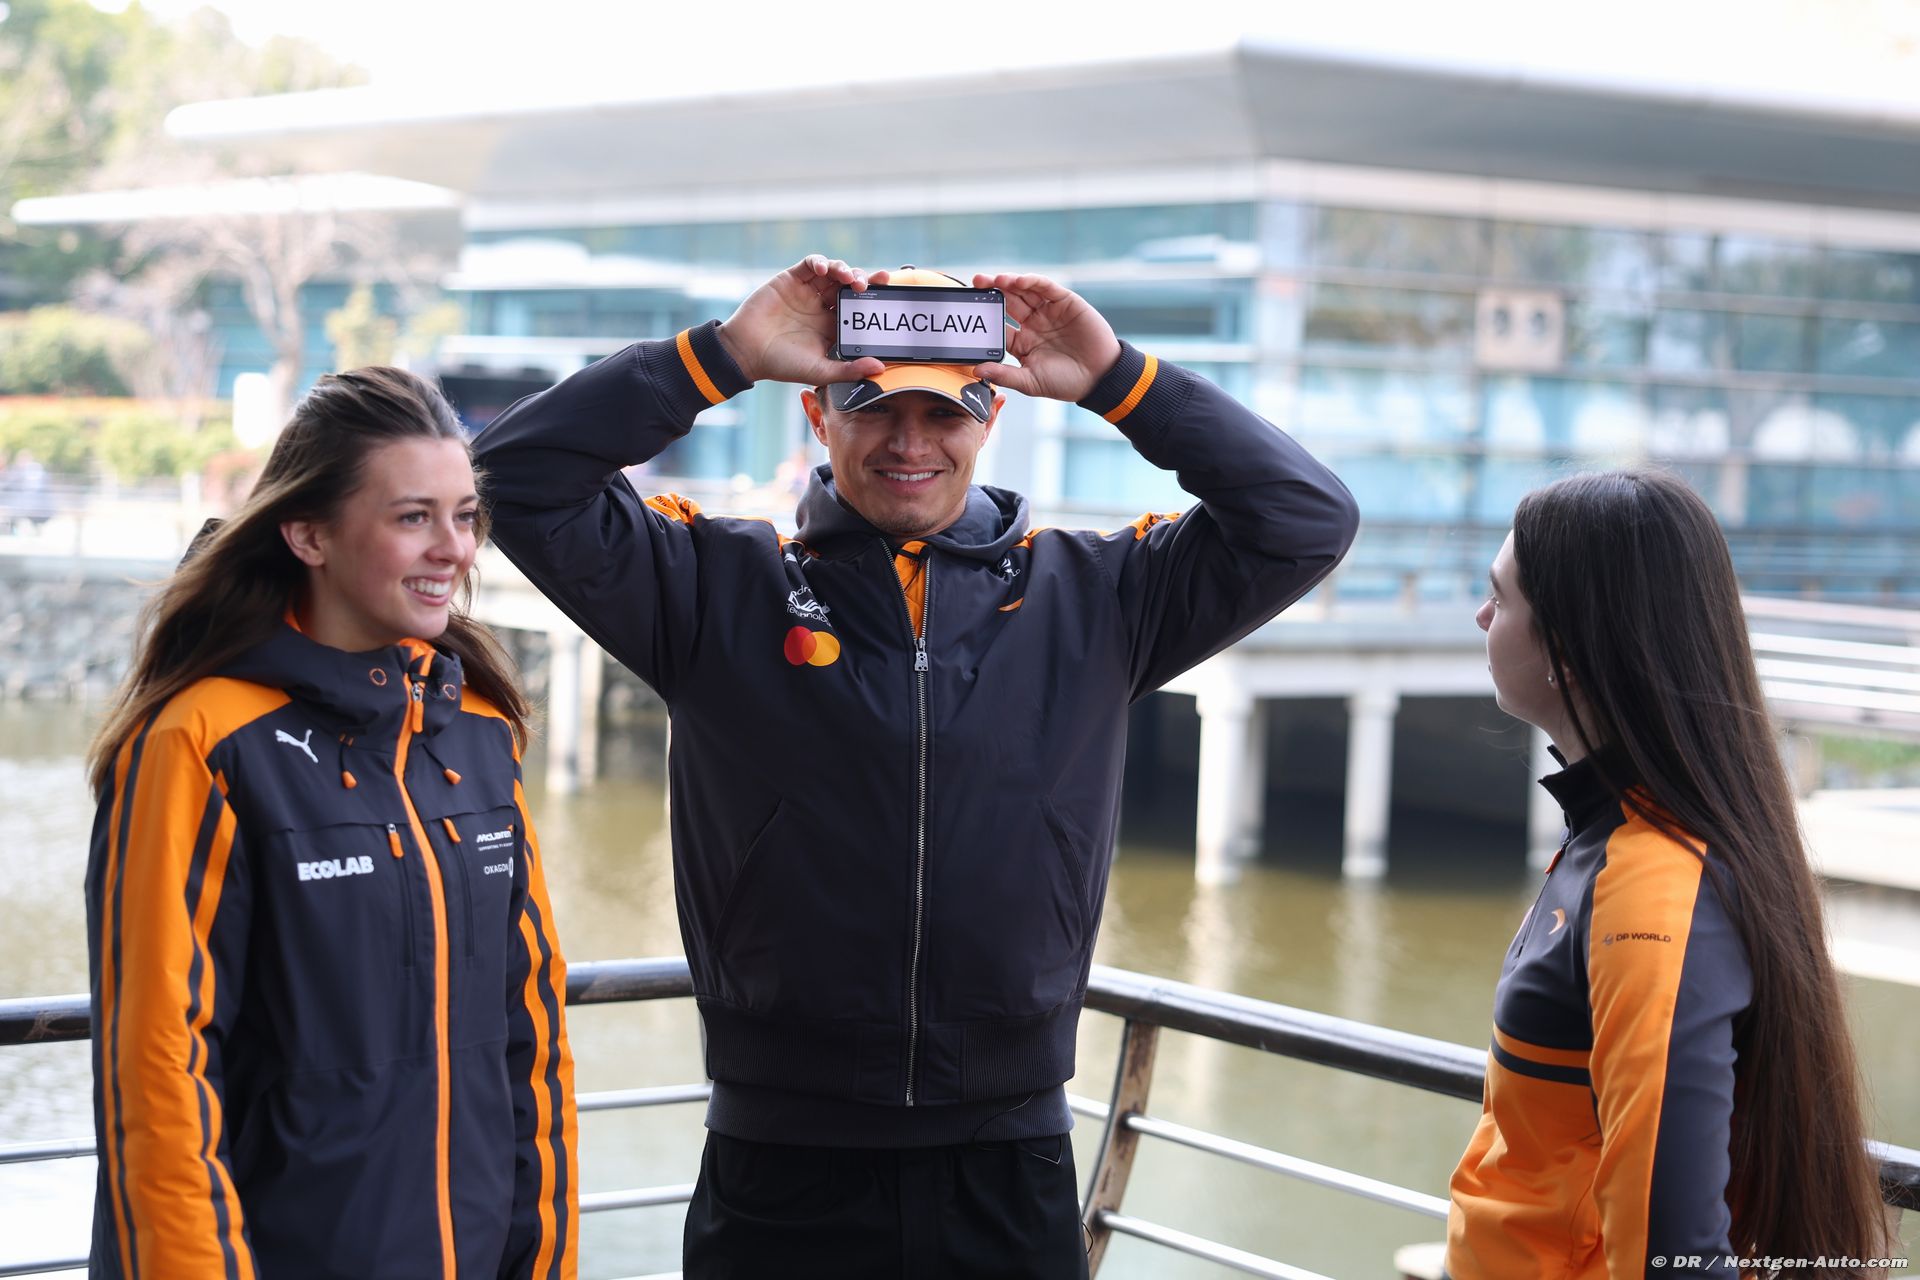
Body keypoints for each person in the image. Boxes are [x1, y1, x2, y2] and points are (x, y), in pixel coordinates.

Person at [474, 257, 1358, 1278]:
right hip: (780, 1155)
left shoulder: (1098, 594)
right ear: (817, 412)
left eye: (943, 413)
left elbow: (1305, 518)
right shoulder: (714, 584)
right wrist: (722, 355)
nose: (909, 443)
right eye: (873, 407)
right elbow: (512, 480)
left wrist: (1122, 381)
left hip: (1010, 1154)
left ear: (991, 418)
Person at [83, 367, 577, 1280]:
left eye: (465, 516)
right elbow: (160, 1070)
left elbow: (533, 1044)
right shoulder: (202, 742)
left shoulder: (479, 733)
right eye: (413, 517)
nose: (454, 549)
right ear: (308, 532)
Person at [1448, 469, 1890, 1279]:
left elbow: (1672, 1251)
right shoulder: (1616, 839)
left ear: (1567, 652)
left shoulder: (1649, 885)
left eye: (1499, 597)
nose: (1482, 616)